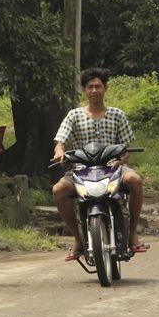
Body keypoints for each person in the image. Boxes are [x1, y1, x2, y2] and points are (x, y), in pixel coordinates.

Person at [52, 68, 148, 261]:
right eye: (90, 87)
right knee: (58, 190)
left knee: (135, 180)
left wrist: (120, 160)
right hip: (81, 170)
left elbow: (126, 147)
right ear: (84, 90)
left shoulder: (117, 114)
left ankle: (132, 234)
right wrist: (59, 152)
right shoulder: (74, 115)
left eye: (98, 86)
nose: (94, 90)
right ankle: (78, 238)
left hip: (113, 168)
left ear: (105, 88)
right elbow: (60, 141)